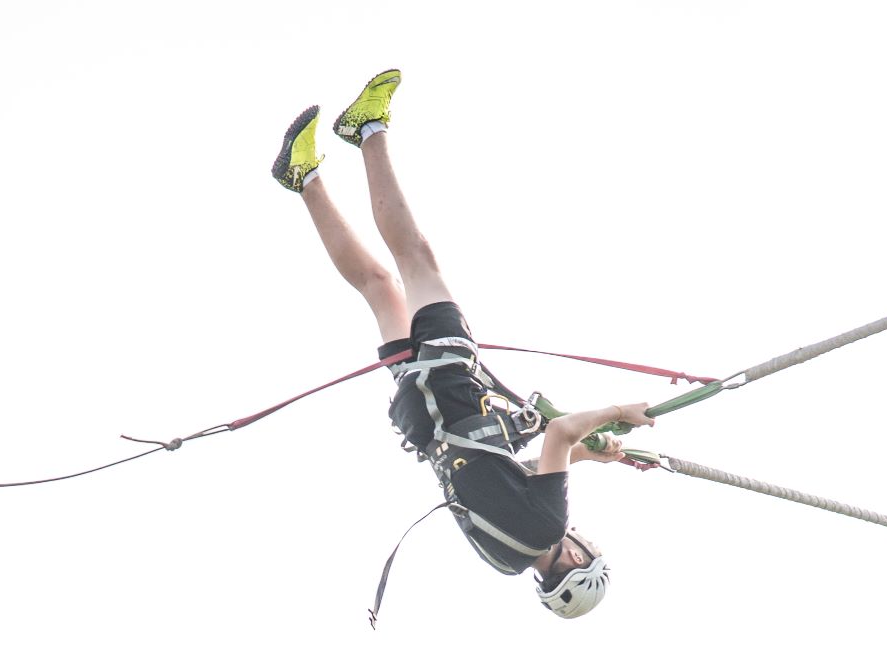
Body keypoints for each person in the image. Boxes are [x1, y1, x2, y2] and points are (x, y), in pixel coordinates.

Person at [271, 69, 656, 620]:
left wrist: (620, 412)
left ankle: (368, 130)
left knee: (416, 259)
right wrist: (598, 455)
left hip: (452, 386)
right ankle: (303, 177)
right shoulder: (507, 556)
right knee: (379, 288)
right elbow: (514, 473)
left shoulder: (548, 525)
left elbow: (559, 432)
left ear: (577, 558)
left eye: (586, 547)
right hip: (424, 410)